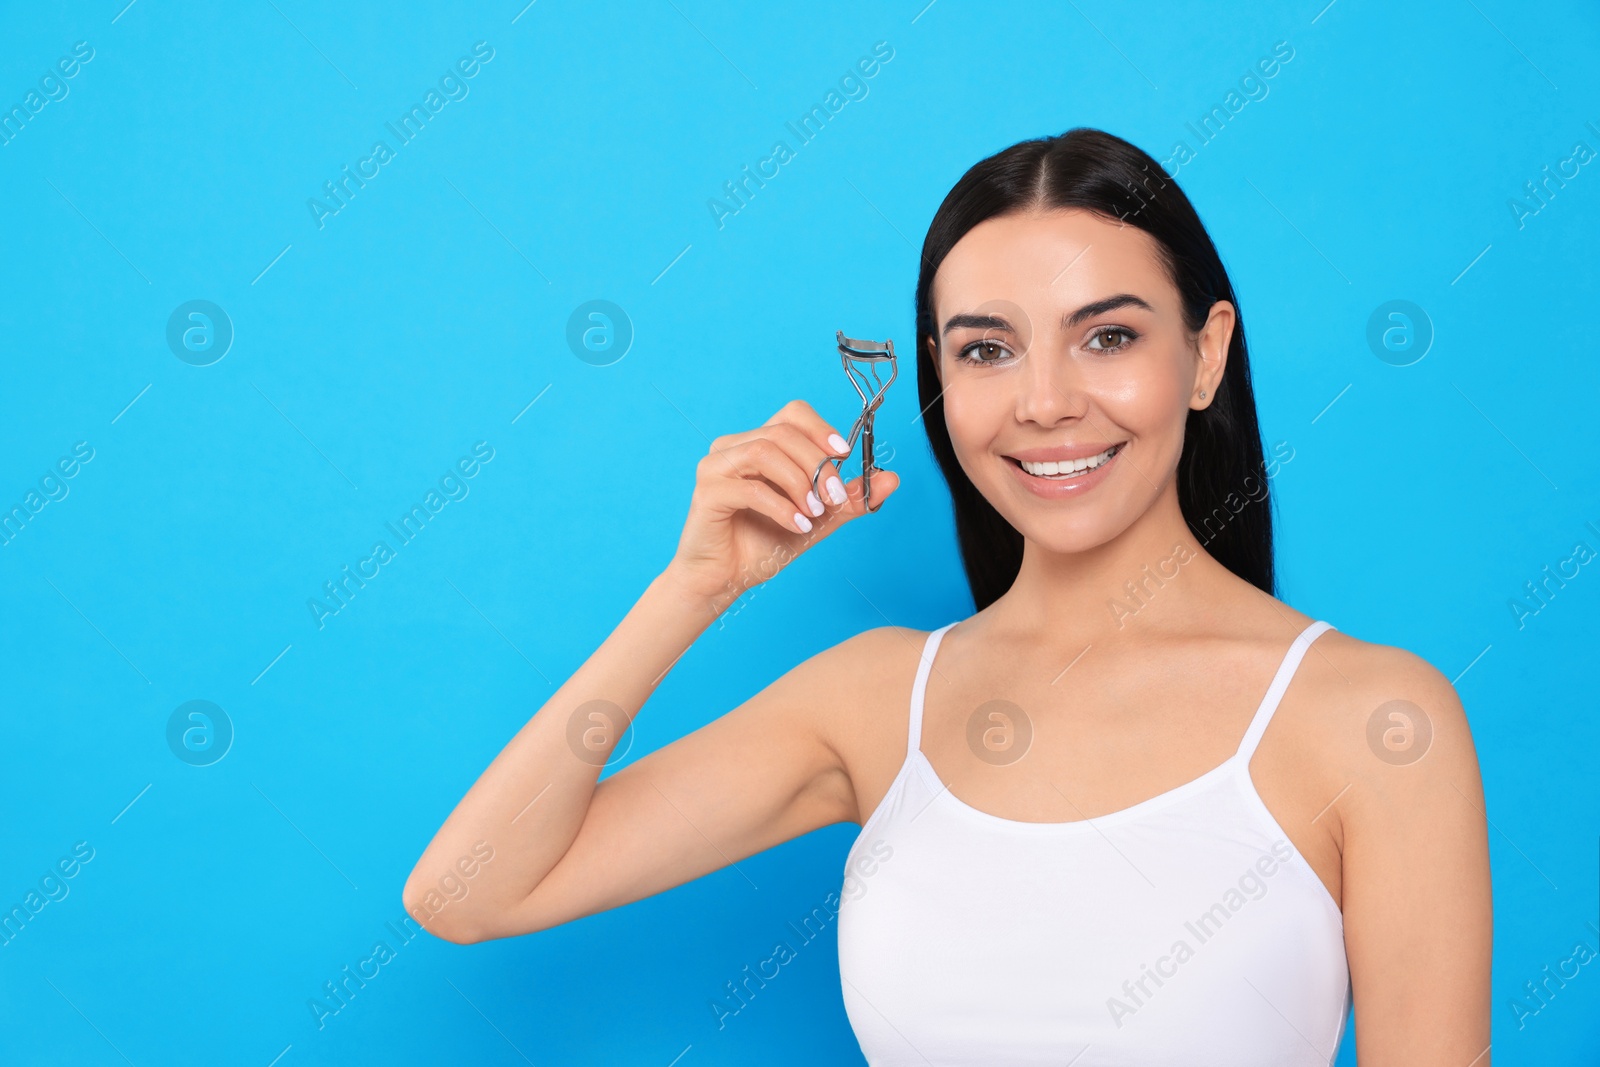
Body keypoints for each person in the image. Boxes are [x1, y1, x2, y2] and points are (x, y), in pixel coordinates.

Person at [403, 127, 1491, 1064]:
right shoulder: (876, 699)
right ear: (937, 377)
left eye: (1107, 335)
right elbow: (469, 890)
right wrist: (692, 590)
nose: (1046, 400)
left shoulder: (1369, 717)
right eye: (987, 349)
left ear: (1203, 356)